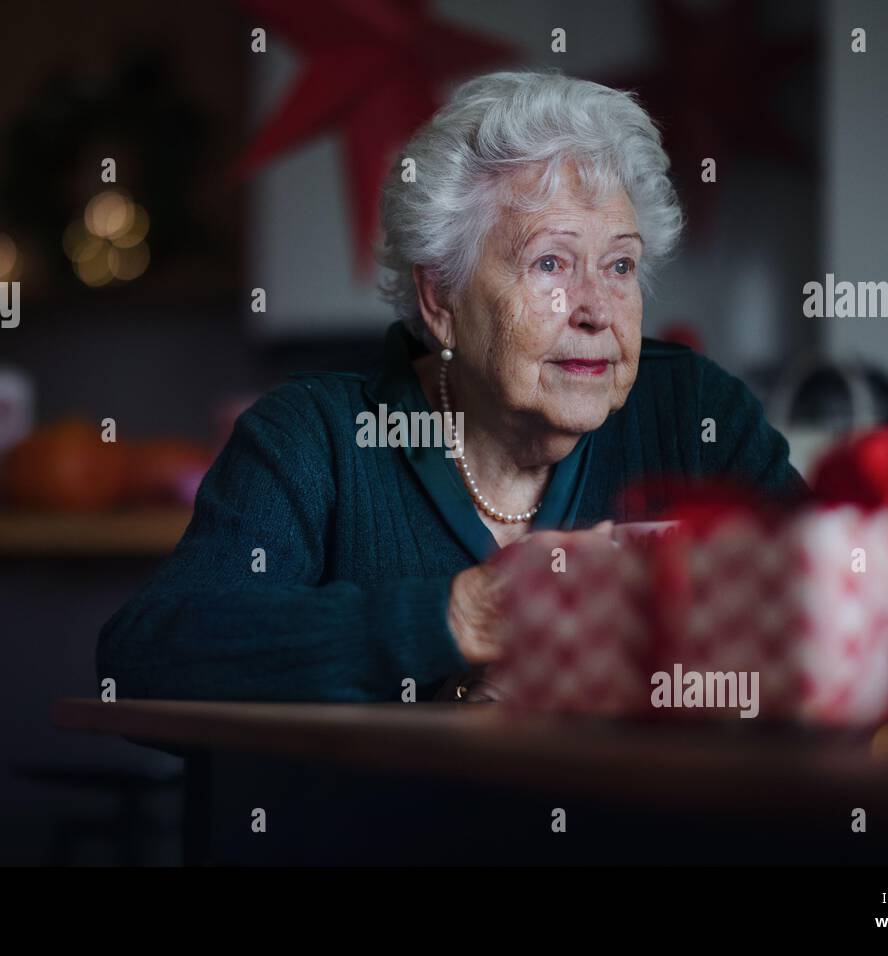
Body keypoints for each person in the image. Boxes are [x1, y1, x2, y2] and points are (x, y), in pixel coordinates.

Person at [97, 70, 805, 703]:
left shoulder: (696, 414)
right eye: (551, 264)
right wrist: (462, 618)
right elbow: (147, 656)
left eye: (620, 267)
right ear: (440, 300)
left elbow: (836, 608)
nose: (596, 310)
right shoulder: (315, 440)